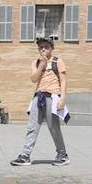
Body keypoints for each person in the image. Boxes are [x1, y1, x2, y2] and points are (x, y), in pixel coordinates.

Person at [10, 37, 69, 166]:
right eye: (41, 47)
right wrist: (42, 64)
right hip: (38, 96)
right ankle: (25, 155)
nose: (43, 49)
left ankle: (62, 154)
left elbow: (63, 80)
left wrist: (63, 98)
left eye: (46, 47)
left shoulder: (57, 61)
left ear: (52, 48)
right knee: (32, 127)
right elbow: (34, 79)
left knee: (54, 127)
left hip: (52, 96)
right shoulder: (35, 63)